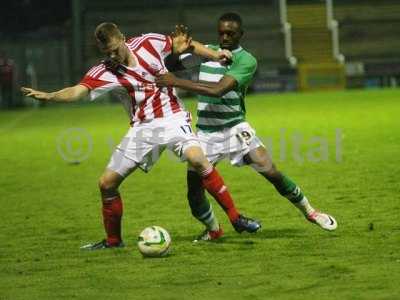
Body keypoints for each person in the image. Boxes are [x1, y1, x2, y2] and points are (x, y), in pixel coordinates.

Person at [21, 22, 261, 250]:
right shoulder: (104, 70)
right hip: (142, 128)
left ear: (123, 39)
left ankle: (234, 218)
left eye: (115, 50)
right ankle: (113, 242)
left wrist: (216, 55)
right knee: (106, 184)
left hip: (173, 118)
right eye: (107, 52)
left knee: (199, 160)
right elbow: (77, 91)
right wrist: (50, 96)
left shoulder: (149, 42)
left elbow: (187, 44)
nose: (113, 56)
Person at [156, 12, 337, 238]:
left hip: (235, 129)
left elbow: (218, 89)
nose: (225, 38)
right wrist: (177, 51)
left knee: (270, 171)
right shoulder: (207, 53)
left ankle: (310, 212)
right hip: (205, 134)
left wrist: (177, 82)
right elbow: (172, 66)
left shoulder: (246, 60)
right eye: (221, 33)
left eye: (230, 33)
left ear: (241, 34)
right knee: (194, 194)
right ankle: (213, 230)